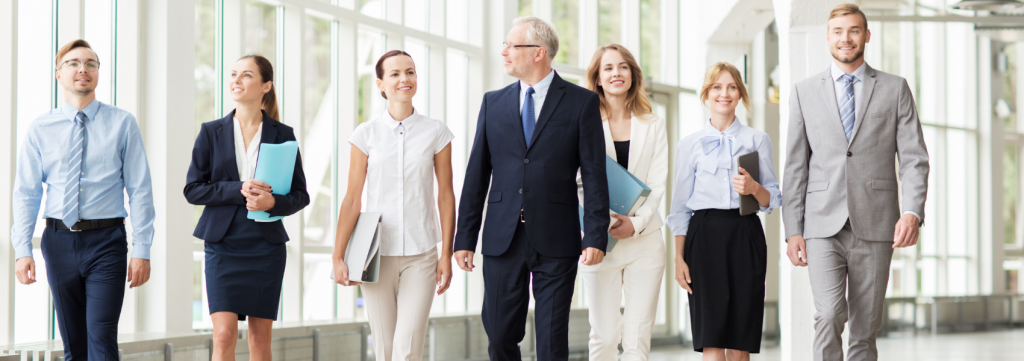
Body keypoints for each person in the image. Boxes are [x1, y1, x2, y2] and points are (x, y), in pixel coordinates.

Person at [453, 16, 610, 361]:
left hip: (557, 237)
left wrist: (596, 235)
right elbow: (476, 174)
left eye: (512, 45)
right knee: (498, 336)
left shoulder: (581, 103)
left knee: (552, 342)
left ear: (539, 52)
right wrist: (464, 237)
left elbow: (595, 176)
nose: (504, 52)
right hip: (501, 237)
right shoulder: (493, 103)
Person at [783, 4, 929, 361]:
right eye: (837, 31)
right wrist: (793, 229)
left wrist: (911, 212)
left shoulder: (895, 89)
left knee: (866, 328)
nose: (845, 38)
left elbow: (914, 158)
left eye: (853, 31)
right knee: (829, 314)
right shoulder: (804, 92)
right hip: (821, 225)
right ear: (827, 37)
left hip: (877, 223)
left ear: (866, 35)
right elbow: (795, 167)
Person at [11, 39, 155, 361]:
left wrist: (142, 249)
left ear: (98, 73)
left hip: (107, 241)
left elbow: (140, 190)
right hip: (58, 242)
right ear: (59, 74)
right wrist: (22, 249)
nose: (83, 70)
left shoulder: (122, 123)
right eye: (74, 64)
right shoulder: (40, 128)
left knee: (101, 337)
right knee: (73, 344)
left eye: (91, 64)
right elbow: (26, 193)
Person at [332, 50, 456, 361]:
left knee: (407, 348)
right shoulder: (365, 134)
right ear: (381, 84)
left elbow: (445, 195)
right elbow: (351, 199)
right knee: (385, 349)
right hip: (375, 254)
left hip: (422, 254)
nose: (405, 79)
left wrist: (445, 254)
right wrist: (338, 255)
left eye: (410, 72)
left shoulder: (436, 132)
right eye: (396, 74)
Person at [184, 54, 309, 361]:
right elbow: (193, 189)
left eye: (246, 75)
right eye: (233, 74)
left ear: (266, 85)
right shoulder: (210, 131)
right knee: (223, 335)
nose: (236, 80)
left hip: (265, 246)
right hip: (223, 243)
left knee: (259, 339)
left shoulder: (283, 134)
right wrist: (237, 189)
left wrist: (273, 202)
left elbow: (301, 194)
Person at [666, 62, 781, 361]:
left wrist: (754, 188)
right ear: (706, 93)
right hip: (703, 236)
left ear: (740, 94)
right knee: (712, 341)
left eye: (731, 87)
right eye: (717, 86)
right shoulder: (689, 144)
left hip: (745, 233)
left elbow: (773, 198)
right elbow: (679, 208)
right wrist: (678, 257)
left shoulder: (757, 140)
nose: (724, 94)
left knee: (740, 340)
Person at [578, 44, 668, 361]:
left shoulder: (653, 124)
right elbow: (576, 181)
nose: (617, 73)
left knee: (636, 341)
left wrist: (636, 223)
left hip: (644, 242)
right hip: (599, 241)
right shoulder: (583, 123)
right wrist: (604, 218)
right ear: (598, 78)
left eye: (623, 67)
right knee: (603, 338)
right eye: (608, 68)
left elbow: (658, 183)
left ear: (632, 74)